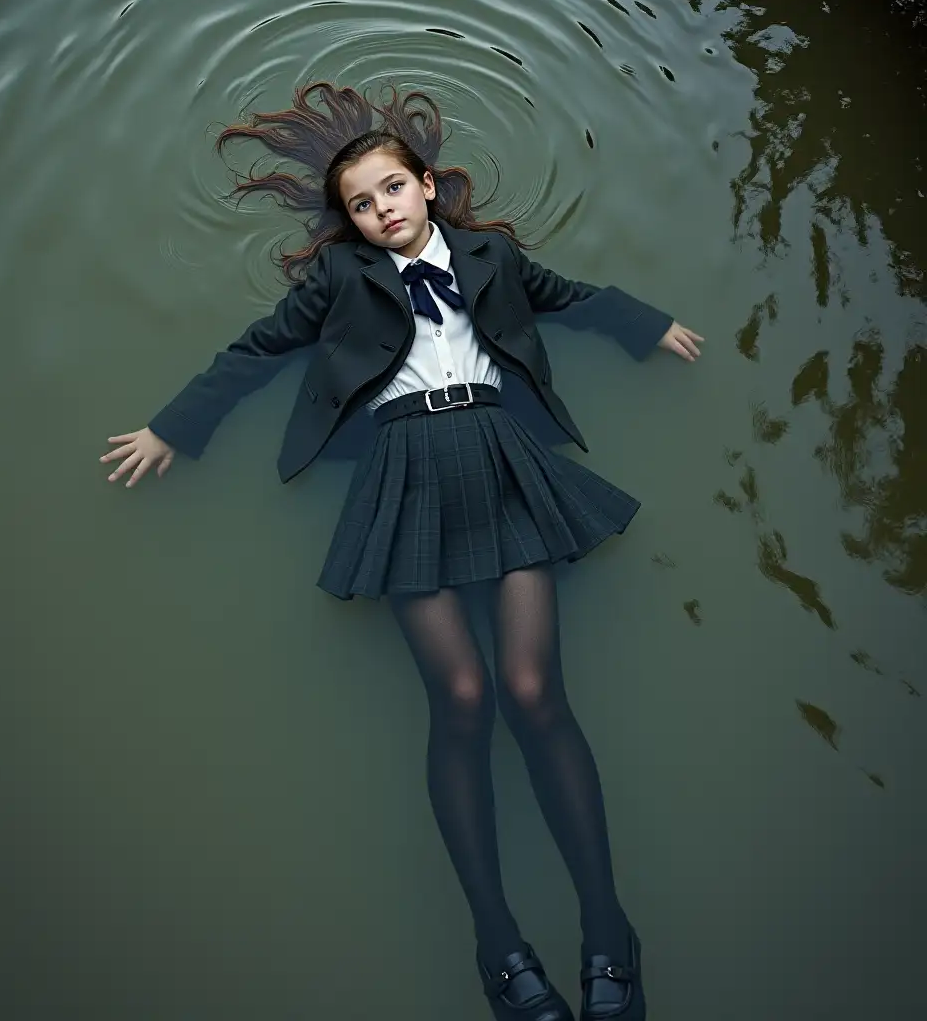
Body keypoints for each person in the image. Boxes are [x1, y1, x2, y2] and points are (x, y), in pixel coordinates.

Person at [100, 82, 703, 1021]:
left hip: (502, 455)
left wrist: (644, 325)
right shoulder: (338, 283)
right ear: (350, 222)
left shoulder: (492, 256)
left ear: (427, 185)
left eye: (391, 190)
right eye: (361, 204)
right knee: (461, 700)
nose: (381, 210)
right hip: (404, 469)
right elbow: (254, 351)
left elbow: (568, 298)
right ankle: (499, 944)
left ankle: (605, 932)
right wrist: (174, 428)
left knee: (536, 692)